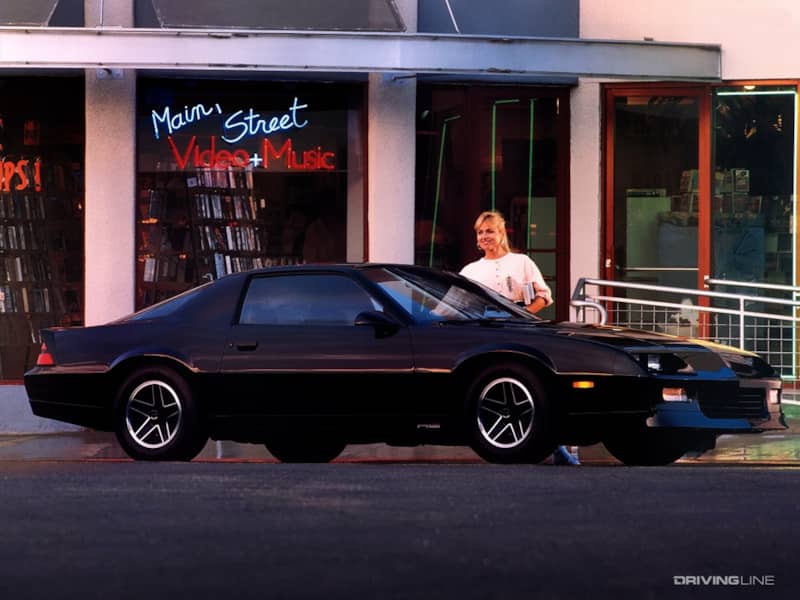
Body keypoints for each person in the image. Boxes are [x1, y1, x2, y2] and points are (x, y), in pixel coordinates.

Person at [459, 210, 579, 466]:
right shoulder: (470, 270)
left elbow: (543, 295)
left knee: (535, 387)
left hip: (521, 330)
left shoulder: (521, 262)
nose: (484, 236)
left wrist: (522, 314)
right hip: (485, 333)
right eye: (480, 232)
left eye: (489, 231)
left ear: (501, 233)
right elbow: (458, 303)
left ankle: (558, 448)